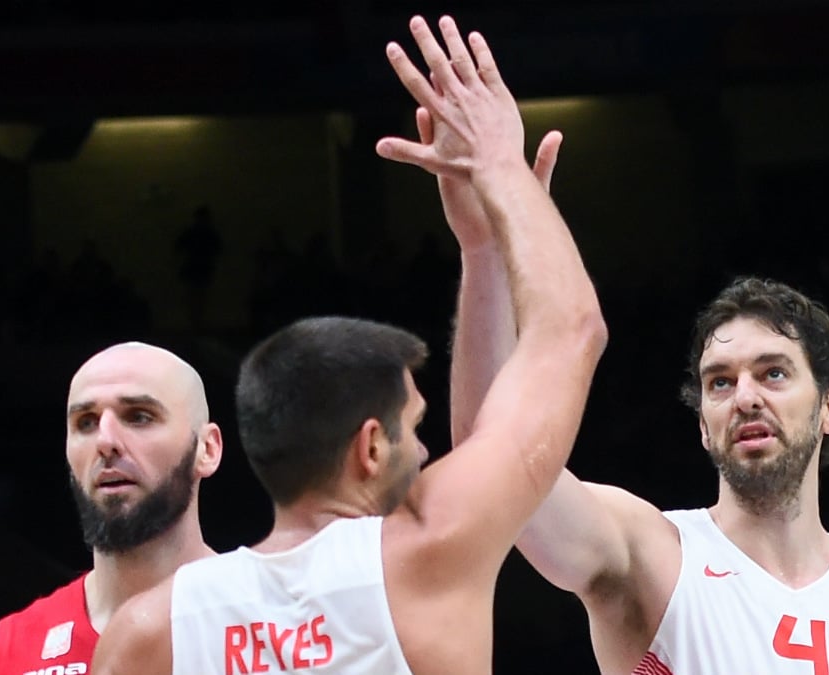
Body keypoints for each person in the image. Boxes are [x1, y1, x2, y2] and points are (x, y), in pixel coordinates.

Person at [89, 14, 606, 675]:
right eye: (414, 426)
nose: (427, 448)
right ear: (369, 446)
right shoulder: (428, 550)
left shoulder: (146, 630)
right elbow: (571, 329)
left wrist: (482, 252)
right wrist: (498, 166)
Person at [453, 263, 829, 668]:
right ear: (703, 423)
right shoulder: (653, 560)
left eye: (773, 373)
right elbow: (494, 463)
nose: (745, 397)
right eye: (720, 382)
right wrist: (486, 249)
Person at [0, 342, 224, 675]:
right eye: (86, 422)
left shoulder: (285, 626)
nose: (105, 441)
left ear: (207, 449)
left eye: (139, 417)